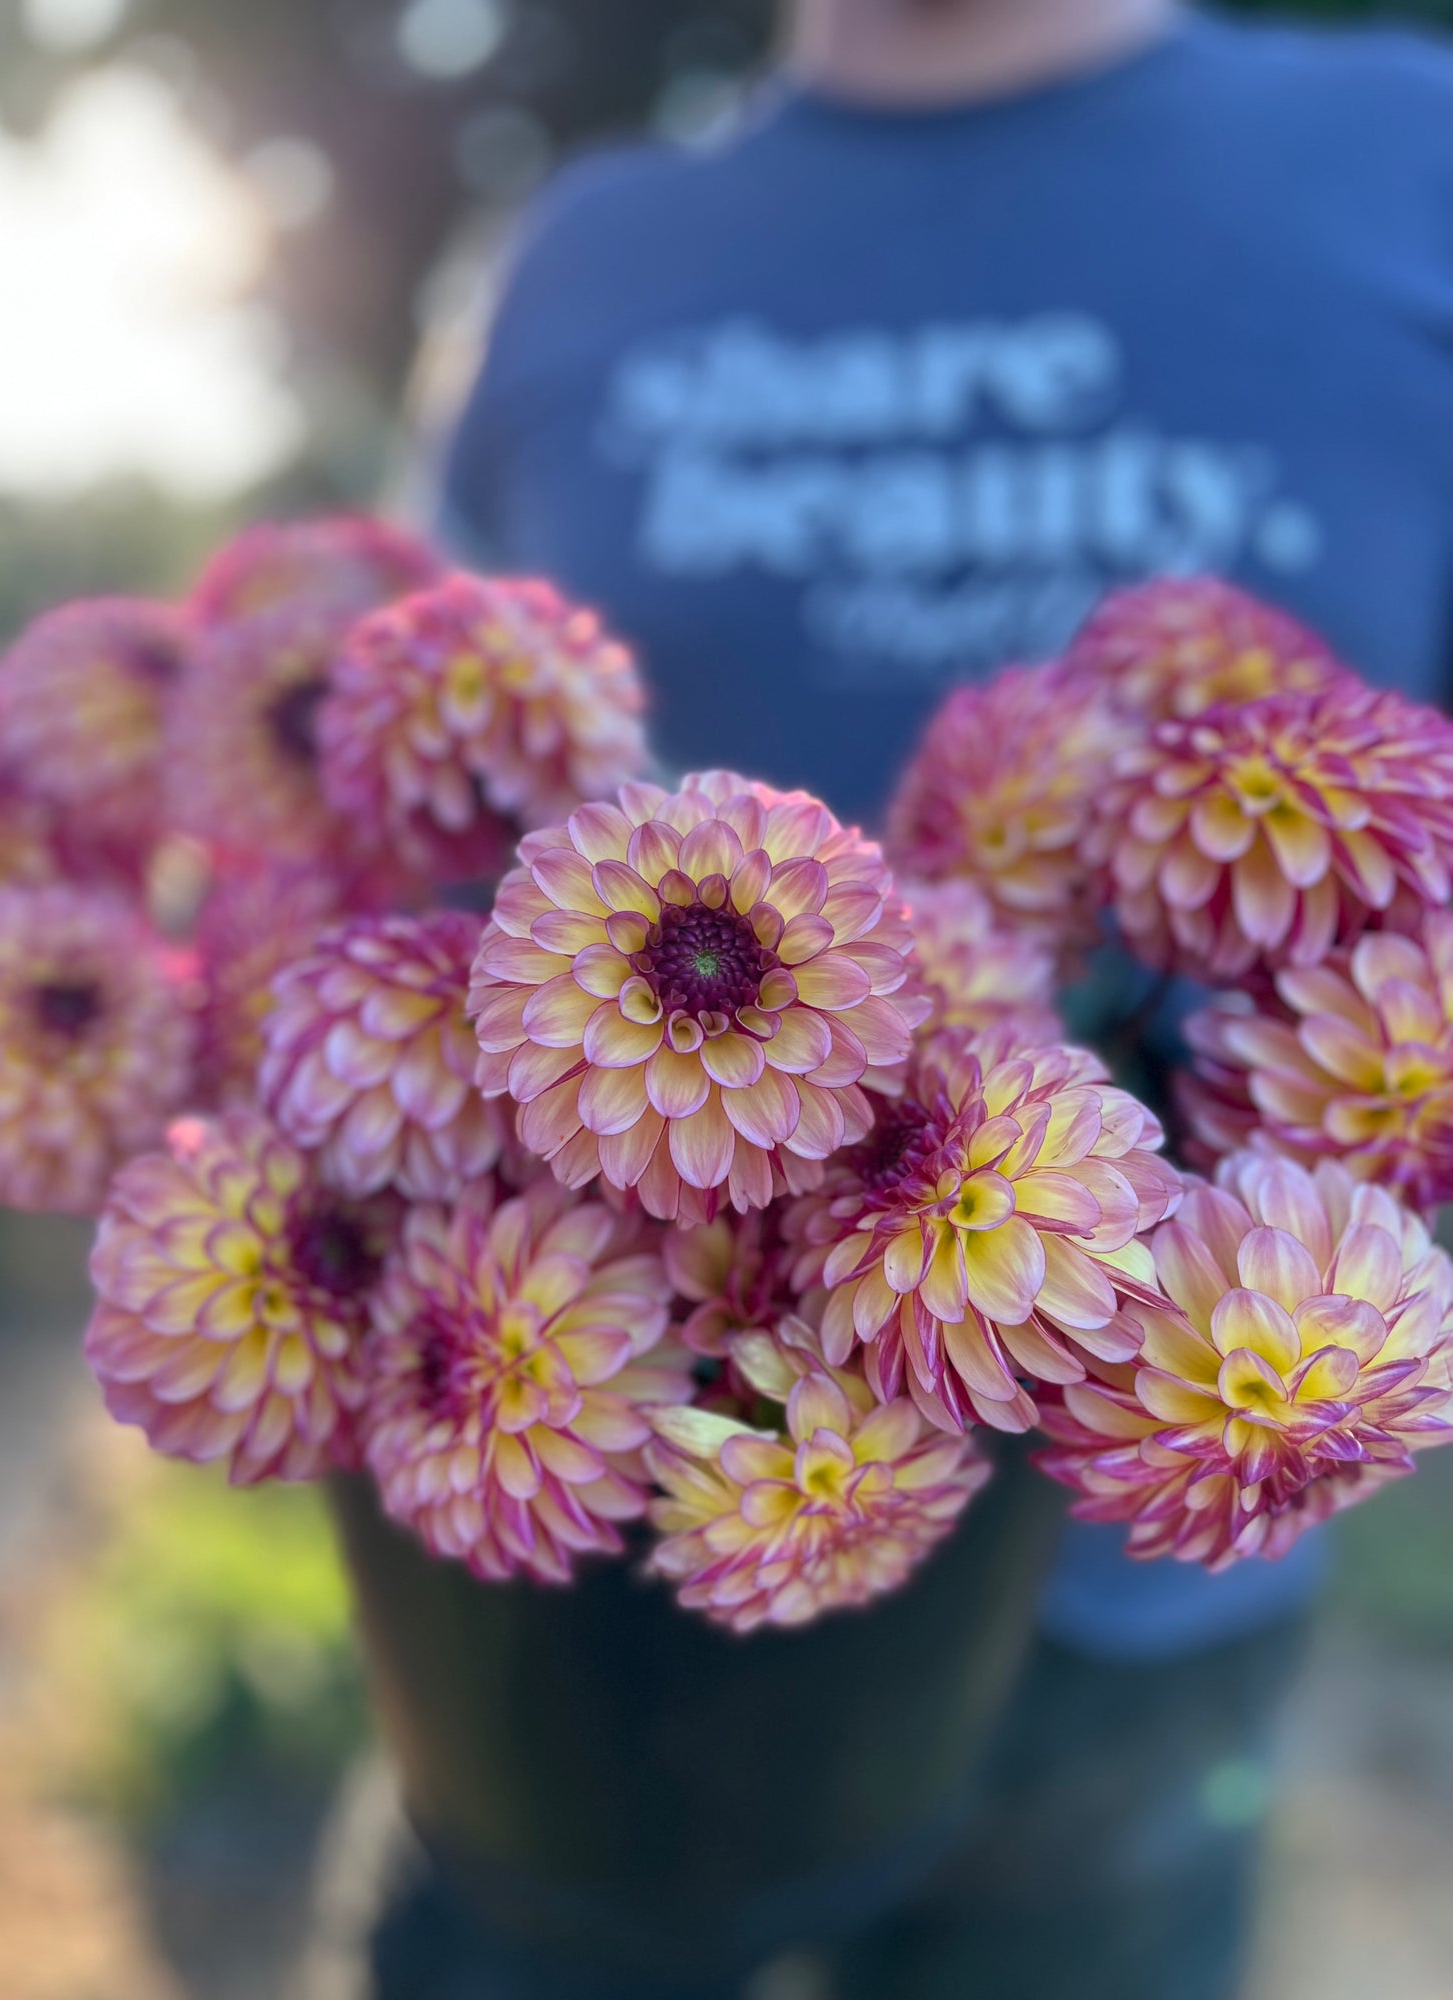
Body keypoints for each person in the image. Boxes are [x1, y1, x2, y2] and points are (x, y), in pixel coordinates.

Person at [411, 3, 1453, 1994]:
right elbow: (420, 845)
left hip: (1126, 1636)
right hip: (607, 1580)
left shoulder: (1421, 156)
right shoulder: (580, 251)